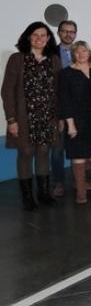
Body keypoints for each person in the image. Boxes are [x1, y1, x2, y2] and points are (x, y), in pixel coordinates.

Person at [2, 22, 61, 210]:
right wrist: (11, 119)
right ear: (28, 37)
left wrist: (59, 117)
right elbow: (7, 91)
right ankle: (27, 197)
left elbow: (59, 91)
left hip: (47, 117)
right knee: (26, 153)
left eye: (43, 35)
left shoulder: (54, 60)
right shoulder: (17, 59)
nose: (39, 38)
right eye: (35, 35)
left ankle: (44, 194)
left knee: (43, 152)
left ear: (48, 38)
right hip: (23, 117)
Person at [59, 41, 91, 203]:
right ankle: (81, 192)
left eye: (84, 51)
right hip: (76, 121)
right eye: (77, 51)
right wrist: (70, 125)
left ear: (89, 52)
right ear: (73, 54)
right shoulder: (66, 74)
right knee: (78, 156)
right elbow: (64, 101)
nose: (81, 54)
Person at [51, 19, 78, 197]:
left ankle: (79, 180)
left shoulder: (82, 52)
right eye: (65, 31)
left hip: (79, 108)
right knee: (57, 149)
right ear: (59, 33)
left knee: (79, 147)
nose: (68, 34)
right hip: (58, 109)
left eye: (72, 31)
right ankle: (59, 182)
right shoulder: (50, 53)